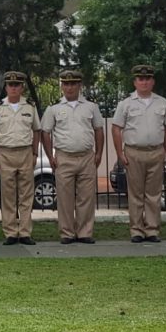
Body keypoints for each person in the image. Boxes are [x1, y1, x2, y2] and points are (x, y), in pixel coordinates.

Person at [111, 65, 166, 243]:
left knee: (153, 194)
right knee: (135, 194)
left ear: (152, 81)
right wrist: (119, 153)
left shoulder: (161, 102)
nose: (144, 82)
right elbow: (116, 128)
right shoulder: (126, 104)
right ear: (135, 82)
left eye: (147, 79)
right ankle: (136, 230)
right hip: (134, 152)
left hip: (156, 152)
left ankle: (152, 229)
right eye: (140, 79)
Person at [41, 70, 104, 244]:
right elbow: (45, 132)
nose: (69, 87)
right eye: (66, 84)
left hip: (86, 156)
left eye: (73, 84)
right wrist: (50, 156)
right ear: (62, 86)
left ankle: (84, 232)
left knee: (86, 197)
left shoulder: (91, 106)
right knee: (64, 197)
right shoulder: (54, 108)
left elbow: (99, 129)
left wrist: (98, 153)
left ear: (79, 86)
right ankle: (67, 233)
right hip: (64, 157)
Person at [0, 71, 41, 246]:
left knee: (26, 195)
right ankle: (10, 232)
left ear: (22, 87)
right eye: (10, 85)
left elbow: (37, 130)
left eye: (17, 85)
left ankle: (24, 232)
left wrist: (34, 153)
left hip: (25, 152)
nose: (13, 88)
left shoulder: (29, 107)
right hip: (6, 153)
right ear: (6, 87)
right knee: (8, 195)